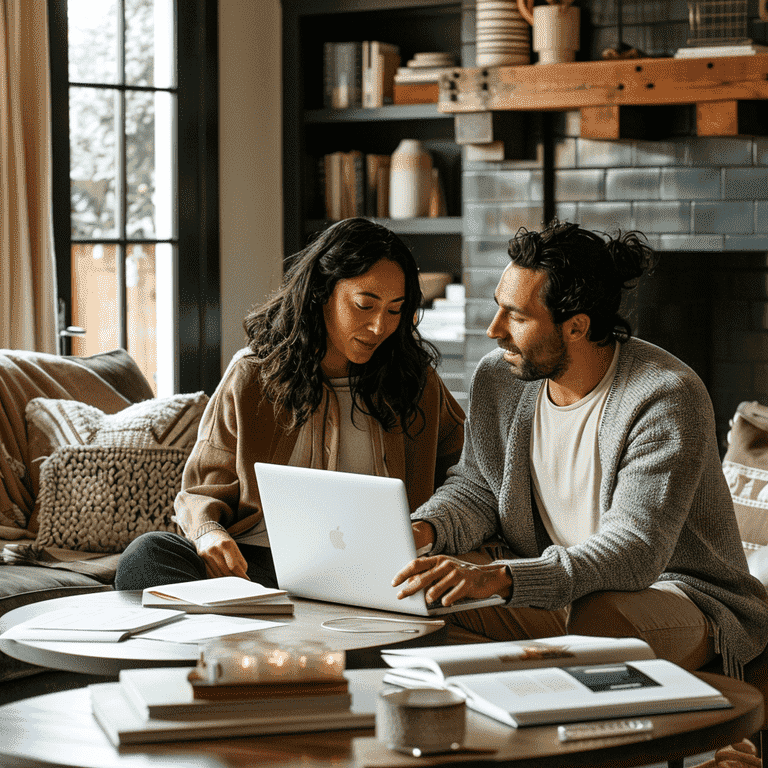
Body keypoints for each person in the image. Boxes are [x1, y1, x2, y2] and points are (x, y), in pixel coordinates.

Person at [394, 220, 768, 679]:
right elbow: (477, 489)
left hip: (680, 594)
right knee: (421, 585)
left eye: (517, 316)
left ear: (576, 326)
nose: (494, 331)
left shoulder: (665, 396)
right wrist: (420, 531)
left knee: (599, 618)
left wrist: (503, 578)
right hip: (559, 585)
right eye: (498, 309)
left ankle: (568, 739)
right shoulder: (500, 377)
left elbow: (633, 551)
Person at [115, 217, 464, 590]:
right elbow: (202, 490)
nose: (380, 326)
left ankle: (242, 632)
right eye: (365, 304)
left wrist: (427, 531)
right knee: (148, 554)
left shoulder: (417, 384)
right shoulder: (253, 376)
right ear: (321, 291)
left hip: (374, 572)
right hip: (257, 567)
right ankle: (255, 625)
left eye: (395, 310)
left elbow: (466, 479)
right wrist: (209, 534)